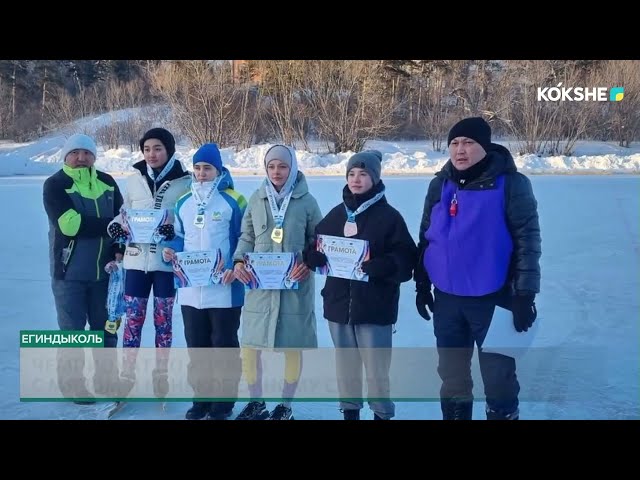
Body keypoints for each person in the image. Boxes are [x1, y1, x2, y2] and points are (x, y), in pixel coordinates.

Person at [414, 117, 541, 420]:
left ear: (484, 147)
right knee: (452, 376)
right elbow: (427, 236)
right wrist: (422, 283)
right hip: (447, 299)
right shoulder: (439, 184)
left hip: (493, 298)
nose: (460, 150)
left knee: (498, 378)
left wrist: (525, 293)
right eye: (455, 143)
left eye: (469, 143)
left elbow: (528, 239)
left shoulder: (511, 184)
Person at [303, 150, 417, 420]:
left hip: (374, 308)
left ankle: (381, 413)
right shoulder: (336, 214)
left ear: (375, 179)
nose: (356, 179)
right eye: (352, 173)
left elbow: (407, 259)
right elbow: (316, 246)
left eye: (363, 174)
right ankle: (350, 413)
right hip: (339, 306)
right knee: (346, 367)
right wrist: (312, 257)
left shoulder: (389, 217)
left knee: (376, 369)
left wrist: (385, 265)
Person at [232, 145, 323, 420]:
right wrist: (238, 262)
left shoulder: (307, 201)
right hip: (260, 287)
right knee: (249, 346)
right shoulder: (256, 199)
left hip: (294, 286)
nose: (276, 172)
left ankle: (285, 405)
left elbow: (317, 241)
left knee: (292, 345)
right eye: (271, 166)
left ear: (292, 167)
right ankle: (256, 401)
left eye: (282, 166)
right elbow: (246, 236)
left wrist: (307, 263)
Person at [161, 143, 247, 420]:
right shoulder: (183, 201)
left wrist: (237, 265)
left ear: (218, 169)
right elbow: (177, 236)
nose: (201, 173)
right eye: (197, 168)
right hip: (190, 289)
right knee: (196, 345)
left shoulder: (234, 199)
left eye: (207, 168)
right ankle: (201, 398)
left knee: (223, 343)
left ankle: (223, 401)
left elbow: (244, 240)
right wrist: (169, 250)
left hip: (225, 288)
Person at [107, 127, 191, 396]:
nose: (151, 154)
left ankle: (161, 374)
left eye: (157, 148)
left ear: (169, 150)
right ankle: (126, 375)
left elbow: (188, 221)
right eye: (146, 149)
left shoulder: (185, 183)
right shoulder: (133, 180)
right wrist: (118, 230)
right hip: (135, 263)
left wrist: (173, 231)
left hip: (166, 265)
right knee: (133, 321)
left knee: (163, 322)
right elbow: (124, 214)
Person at [43, 133, 124, 404]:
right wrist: (111, 225)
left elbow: (123, 223)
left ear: (94, 157)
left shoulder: (108, 183)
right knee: (72, 331)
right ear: (66, 156)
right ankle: (73, 384)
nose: (81, 158)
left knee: (106, 330)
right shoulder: (55, 185)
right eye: (75, 153)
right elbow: (70, 225)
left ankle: (106, 380)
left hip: (105, 274)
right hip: (69, 275)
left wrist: (118, 248)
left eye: (87, 153)